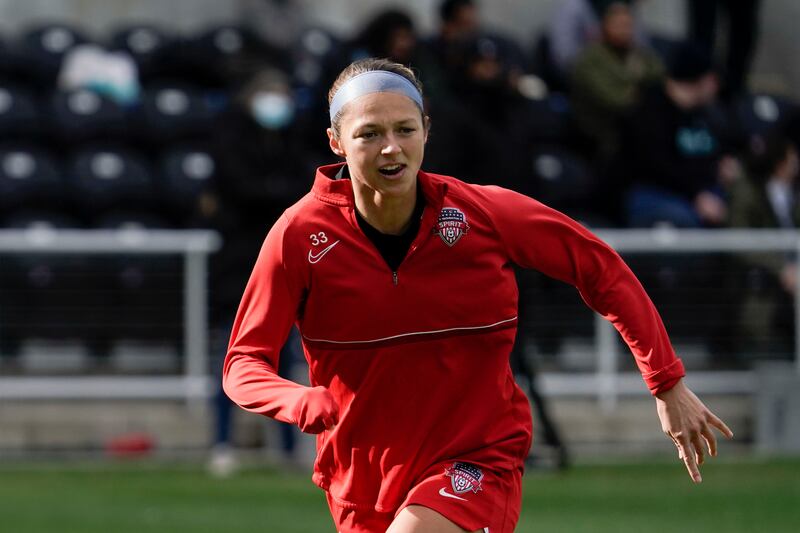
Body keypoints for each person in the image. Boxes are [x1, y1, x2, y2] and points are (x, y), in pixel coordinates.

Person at [223, 58, 733, 533]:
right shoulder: (299, 235)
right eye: (369, 134)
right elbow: (243, 363)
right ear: (336, 141)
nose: (391, 148)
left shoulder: (484, 215)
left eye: (405, 129)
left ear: (426, 129)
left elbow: (601, 269)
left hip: (477, 459)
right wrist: (296, 399)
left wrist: (666, 381)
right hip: (360, 479)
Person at [570, 1, 664, 160]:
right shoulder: (590, 60)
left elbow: (661, 76)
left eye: (628, 25)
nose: (624, 31)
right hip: (604, 134)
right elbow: (616, 100)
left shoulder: (638, 53)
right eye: (618, 25)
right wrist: (640, 85)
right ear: (605, 26)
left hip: (640, 128)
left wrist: (636, 87)